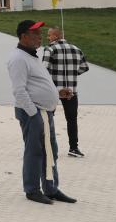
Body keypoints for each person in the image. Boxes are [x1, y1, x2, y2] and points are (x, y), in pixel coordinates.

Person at [7, 20, 76, 205]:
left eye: (40, 33)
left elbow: (37, 84)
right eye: (35, 33)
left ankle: (51, 188)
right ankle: (32, 190)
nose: (39, 37)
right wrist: (33, 114)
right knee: (35, 151)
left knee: (50, 150)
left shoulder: (32, 56)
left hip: (45, 112)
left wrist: (57, 93)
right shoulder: (18, 58)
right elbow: (19, 91)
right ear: (23, 36)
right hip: (33, 112)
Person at [42, 27, 90, 158]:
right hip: (71, 91)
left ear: (56, 36)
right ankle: (73, 148)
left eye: (49, 35)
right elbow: (85, 67)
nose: (48, 38)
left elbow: (43, 70)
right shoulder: (76, 49)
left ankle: (47, 147)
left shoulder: (49, 49)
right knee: (72, 119)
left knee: (48, 118)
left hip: (54, 90)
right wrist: (73, 74)